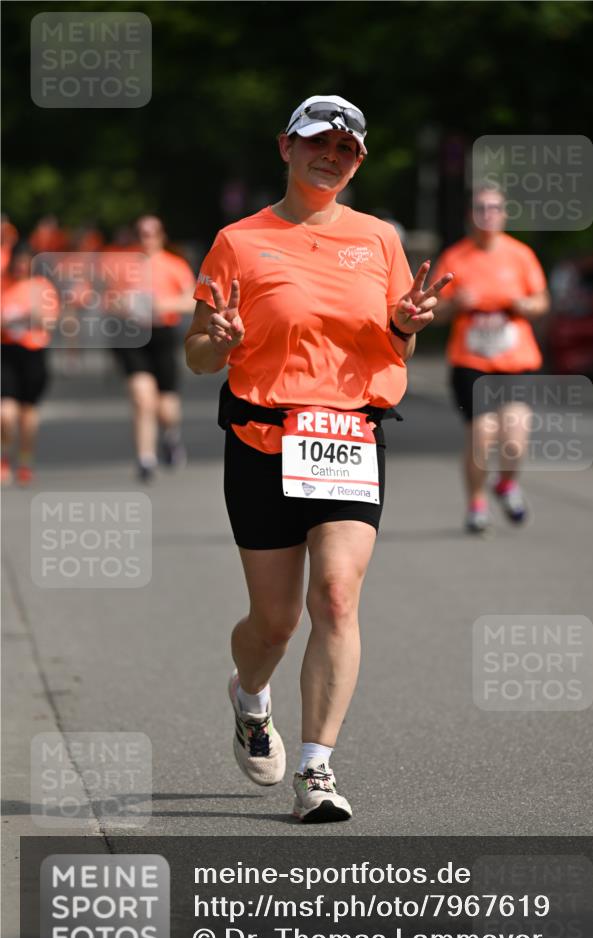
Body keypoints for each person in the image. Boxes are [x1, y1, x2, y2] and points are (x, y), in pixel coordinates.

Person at [185, 95, 451, 822]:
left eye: (346, 149)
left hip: (349, 439)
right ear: (286, 147)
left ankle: (316, 770)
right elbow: (201, 355)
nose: (330, 156)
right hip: (261, 441)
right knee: (272, 624)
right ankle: (248, 694)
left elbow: (395, 342)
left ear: (357, 160)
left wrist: (405, 326)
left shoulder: (379, 240)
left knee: (335, 597)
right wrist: (223, 335)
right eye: (317, 143)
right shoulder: (238, 240)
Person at [432, 185, 550, 533]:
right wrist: (455, 305)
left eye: (495, 208)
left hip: (517, 361)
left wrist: (524, 305)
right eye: (481, 208)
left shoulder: (520, 255)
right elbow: (432, 311)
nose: (488, 215)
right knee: (482, 436)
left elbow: (542, 301)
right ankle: (476, 504)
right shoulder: (455, 258)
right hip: (471, 363)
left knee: (515, 437)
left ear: (504, 214)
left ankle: (506, 484)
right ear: (472, 215)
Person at [111, 216, 195, 481]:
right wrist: (122, 305)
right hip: (132, 335)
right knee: (141, 396)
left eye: (152, 232)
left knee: (166, 407)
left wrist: (163, 305)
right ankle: (145, 459)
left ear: (161, 235)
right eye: (141, 233)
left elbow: (193, 300)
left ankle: (170, 436)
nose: (146, 237)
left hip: (162, 334)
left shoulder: (174, 264)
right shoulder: (123, 265)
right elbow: (107, 299)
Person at [1, 244, 59, 485]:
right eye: (18, 262)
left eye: (26, 262)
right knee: (5, 413)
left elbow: (49, 322)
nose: (21, 267)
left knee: (27, 413)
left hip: (33, 353)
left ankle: (25, 458)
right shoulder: (4, 285)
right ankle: (4, 456)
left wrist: (31, 315)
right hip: (6, 352)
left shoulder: (42, 288)